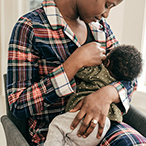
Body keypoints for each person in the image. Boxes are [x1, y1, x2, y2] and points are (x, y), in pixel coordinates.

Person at [7, 0, 146, 145]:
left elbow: (130, 77)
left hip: (103, 127)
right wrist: (73, 64)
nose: (106, 14)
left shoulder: (101, 28)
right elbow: (18, 105)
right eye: (107, 4)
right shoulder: (30, 27)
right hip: (56, 135)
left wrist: (107, 94)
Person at [44, 45, 143, 146]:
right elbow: (131, 83)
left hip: (80, 116)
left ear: (107, 62)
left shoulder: (97, 71)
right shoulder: (121, 81)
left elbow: (79, 72)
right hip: (103, 126)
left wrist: (80, 60)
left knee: (57, 124)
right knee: (71, 142)